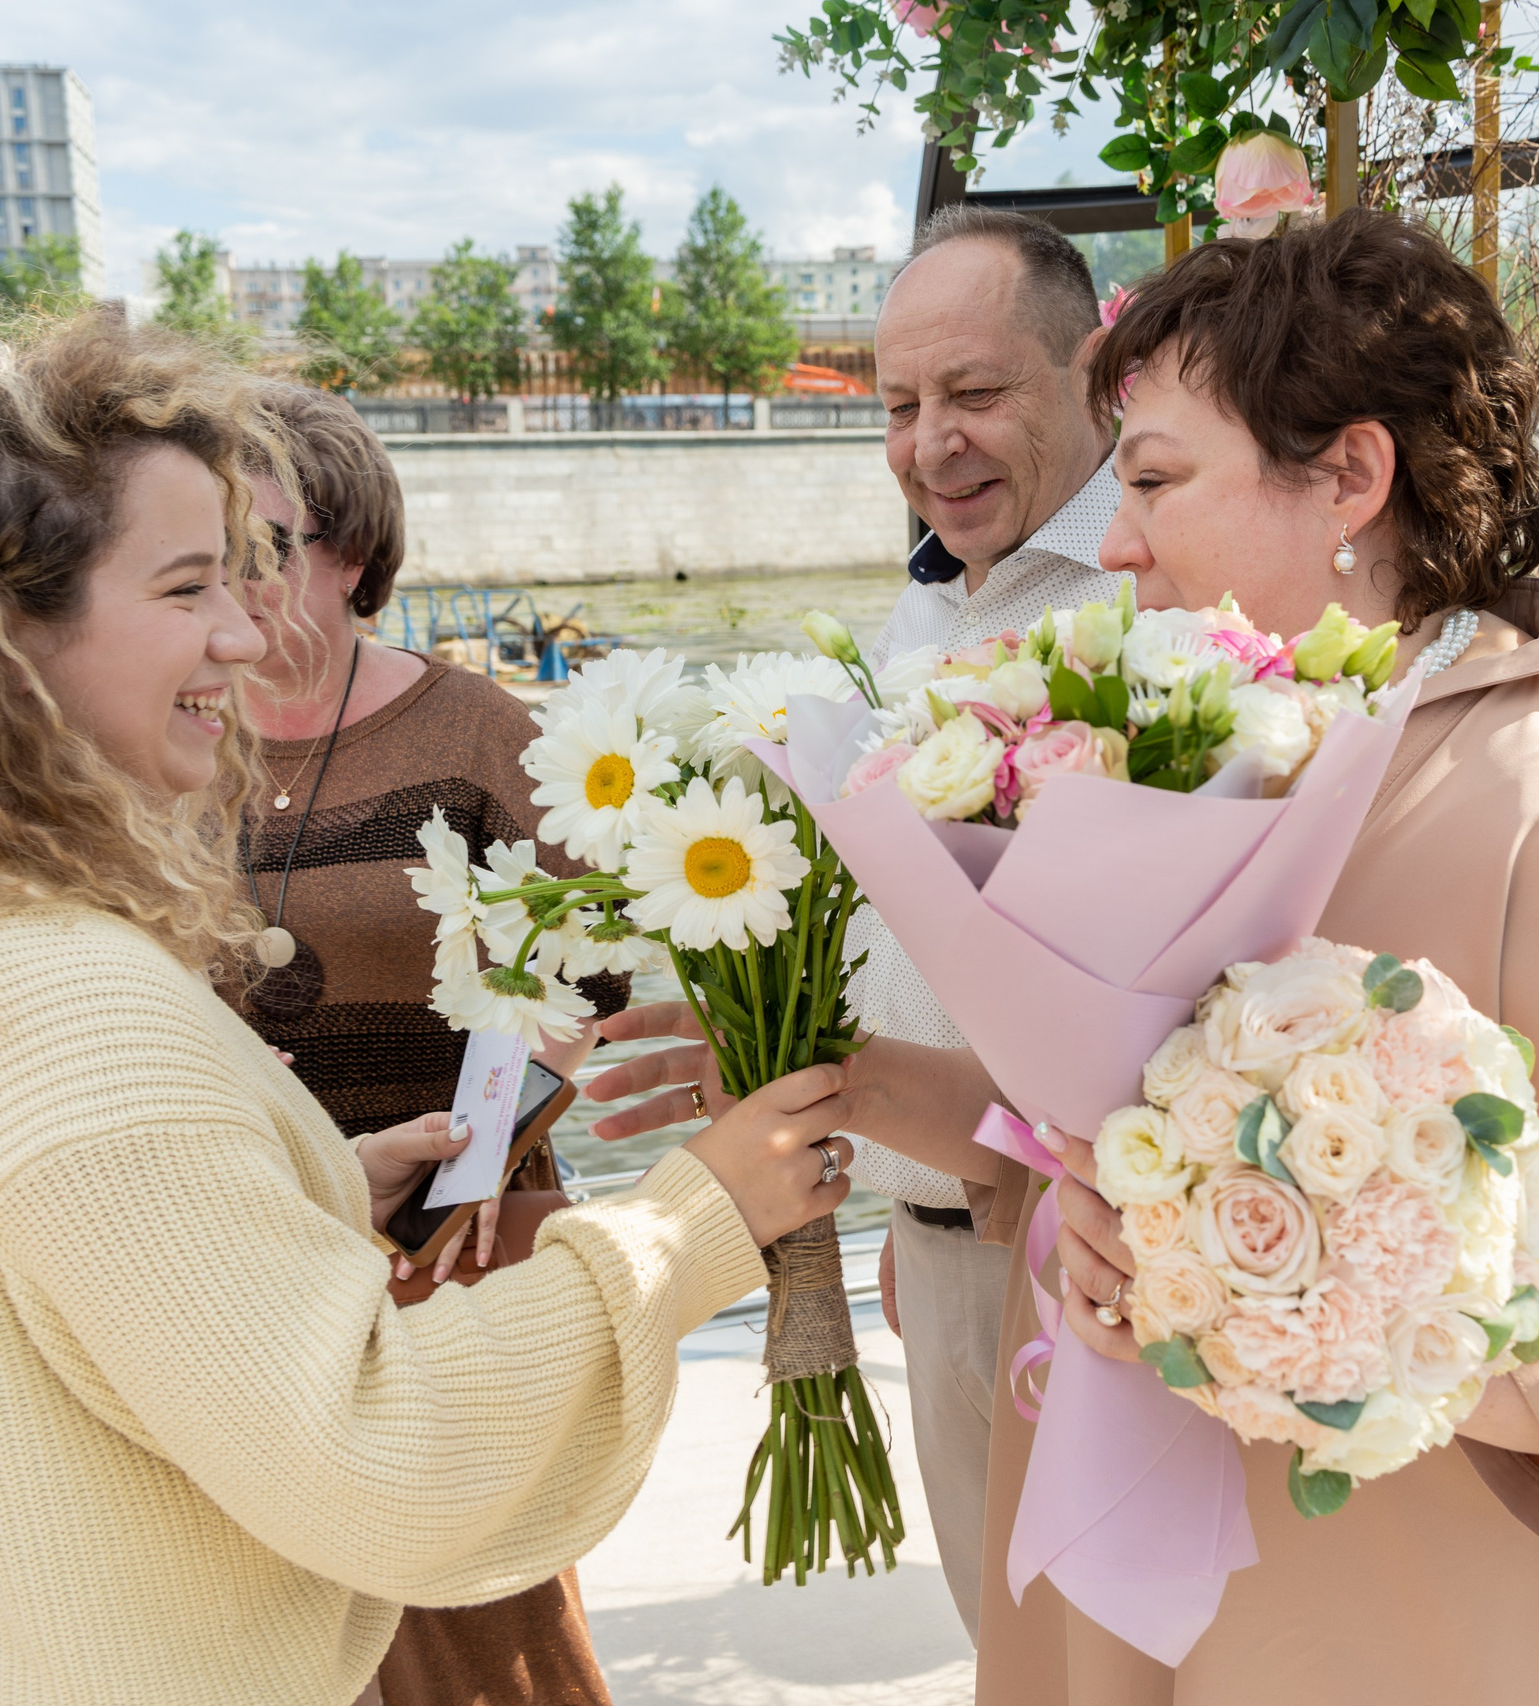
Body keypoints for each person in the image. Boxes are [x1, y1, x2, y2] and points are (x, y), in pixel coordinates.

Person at [0, 320, 853, 1706]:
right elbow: (383, 1454)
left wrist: (316, 1186)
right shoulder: (60, 995)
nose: (245, 629)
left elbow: (76, 1267)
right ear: (2, 633)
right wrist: (694, 1216)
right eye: (187, 587)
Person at [971, 212, 1539, 1700]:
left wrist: (1284, 1278)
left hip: (1403, 1634)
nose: (1112, 543)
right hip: (1119, 1609)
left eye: (1158, 480)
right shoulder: (1190, 773)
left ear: (1353, 480)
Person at [585, 203, 1125, 1645]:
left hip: (1088, 1258)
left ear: (1096, 371)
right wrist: (907, 1193)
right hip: (941, 1243)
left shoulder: (1154, 596)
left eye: (976, 393)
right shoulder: (933, 602)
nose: (927, 443)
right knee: (1011, 1652)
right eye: (899, 404)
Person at [227, 385, 629, 1706]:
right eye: (210, 546)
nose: (238, 579)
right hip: (258, 1252)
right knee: (282, 1621)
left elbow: (593, 980)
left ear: (354, 551)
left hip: (458, 1242)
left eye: (267, 541)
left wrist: (463, 1180)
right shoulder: (167, 743)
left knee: (484, 1632)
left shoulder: (482, 737)